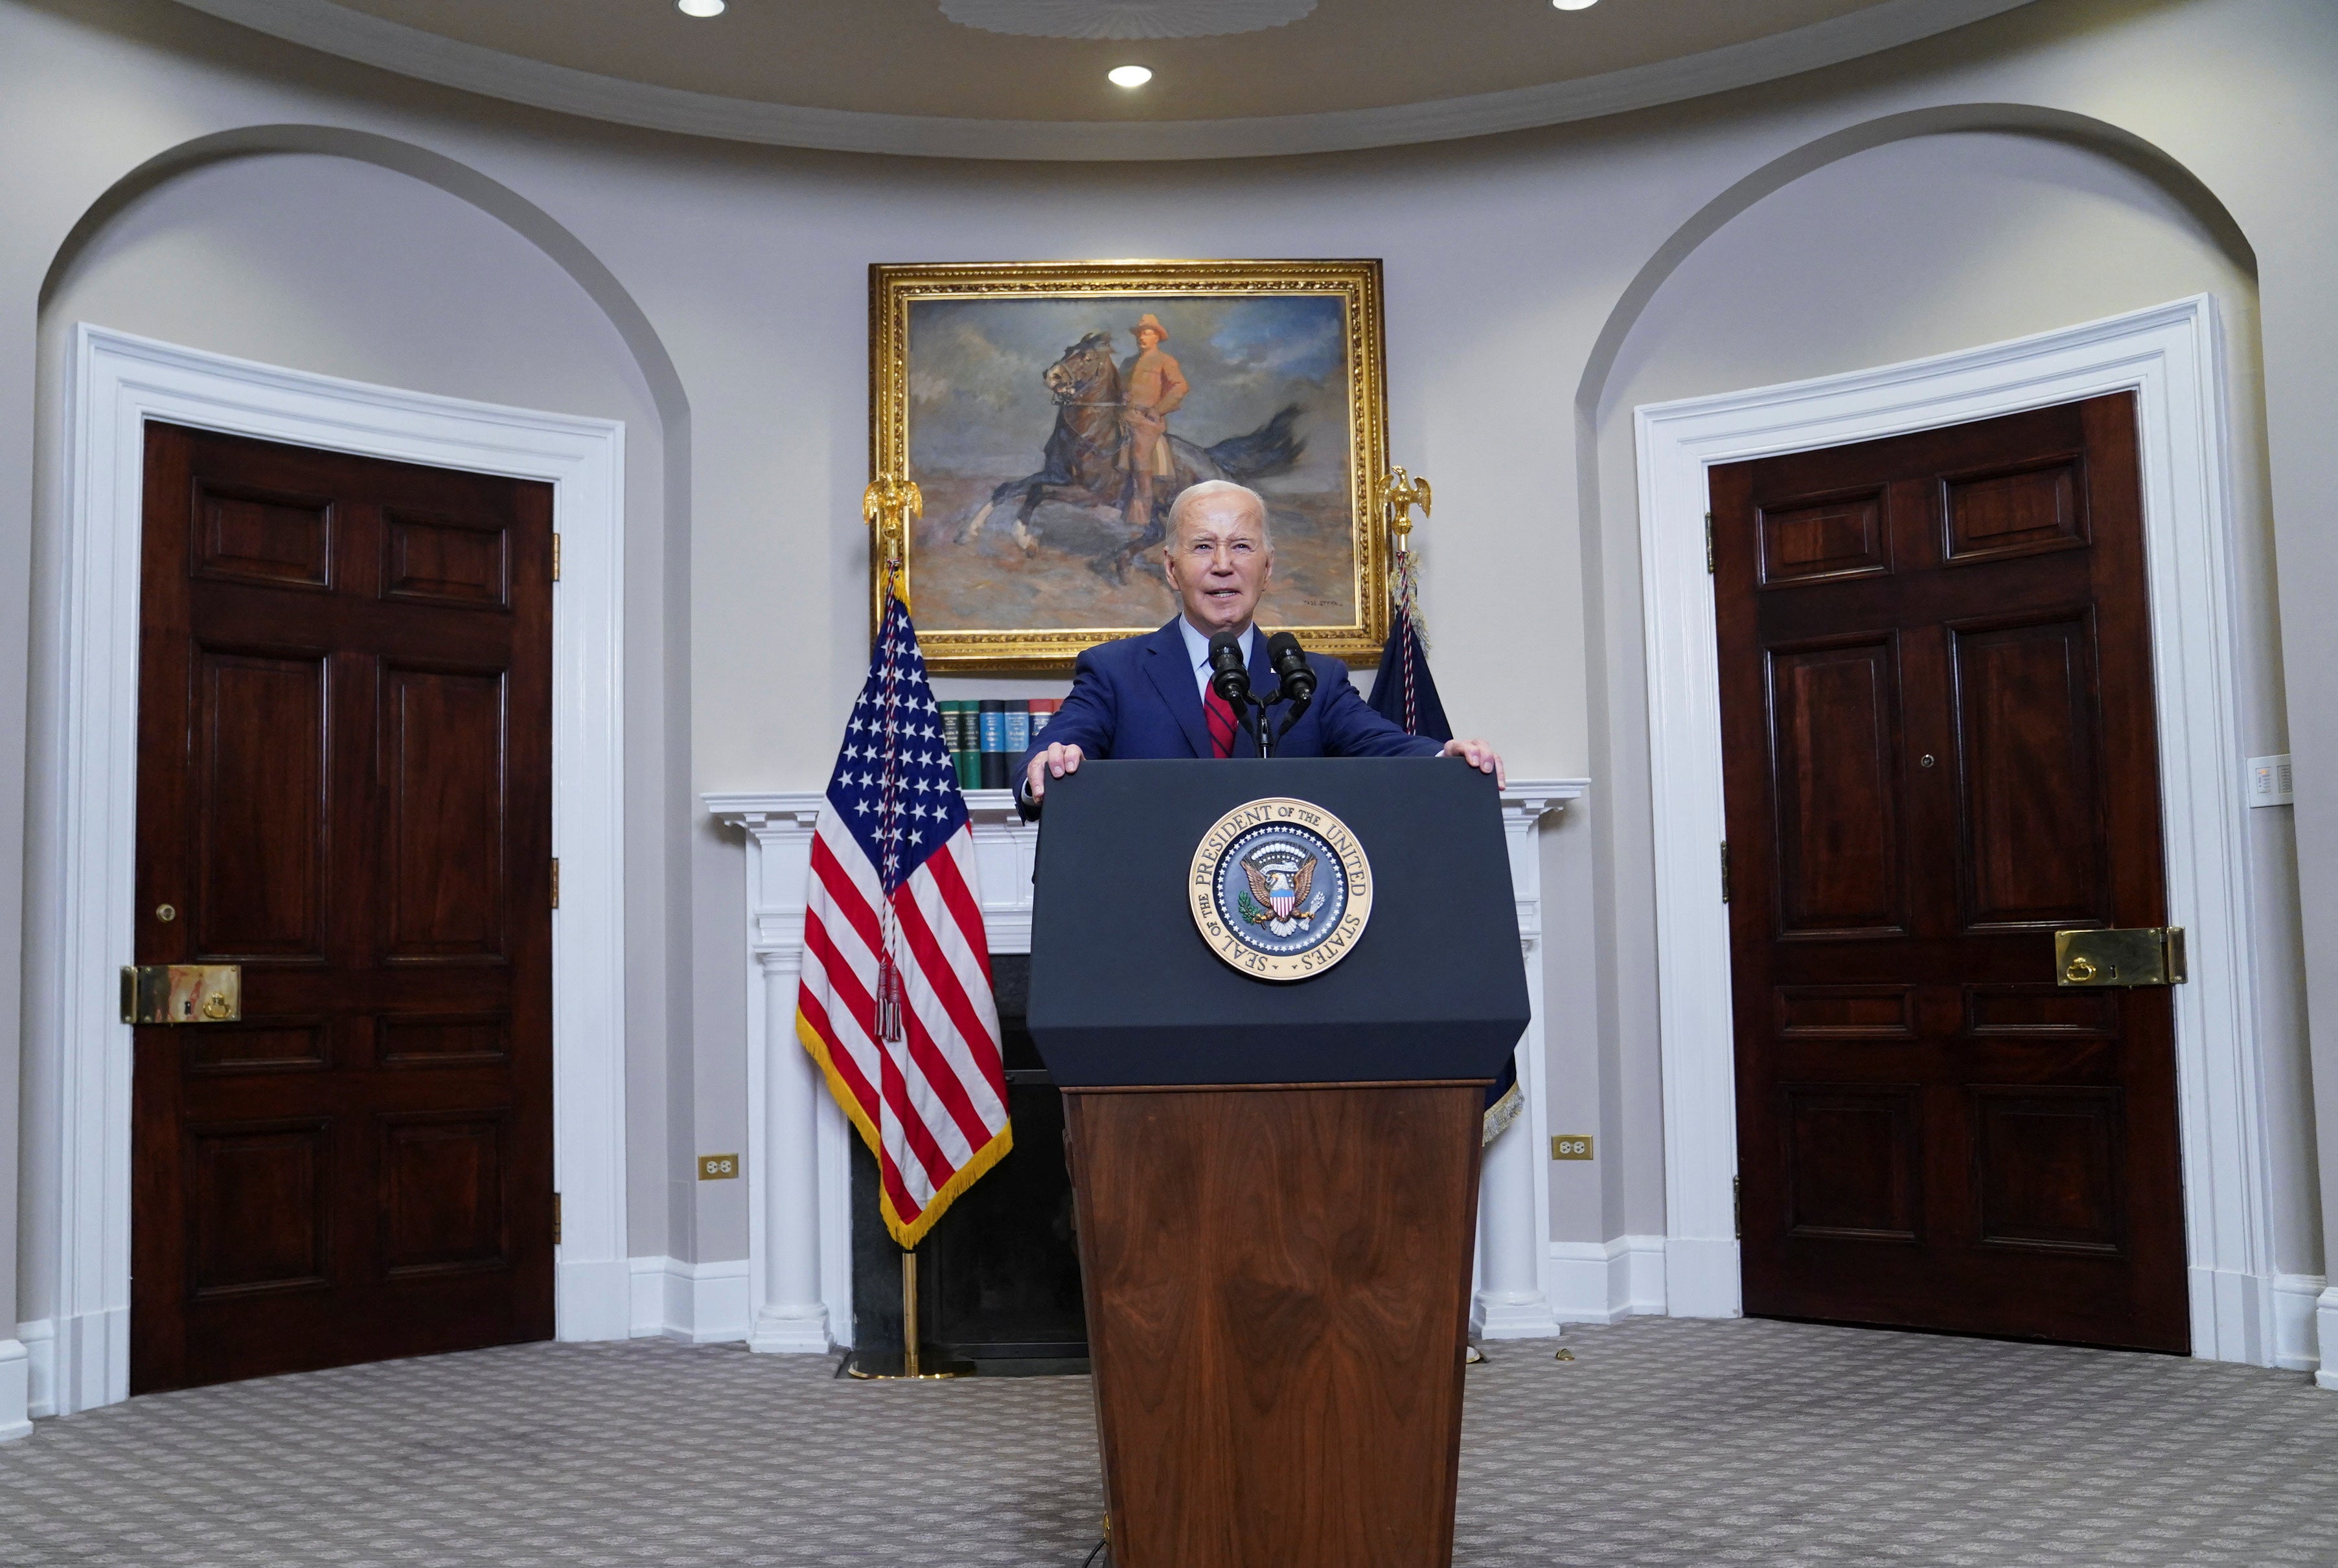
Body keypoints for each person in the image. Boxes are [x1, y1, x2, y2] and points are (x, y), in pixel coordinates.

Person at [1018, 480, 1504, 810]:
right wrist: (1044, 768)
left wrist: (1445, 760)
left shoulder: (1313, 678)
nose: (1223, 565)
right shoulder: (1113, 671)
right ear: (1171, 568)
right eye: (1203, 546)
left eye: (1242, 546)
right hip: (1150, 910)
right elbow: (1052, 748)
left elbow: (1384, 745)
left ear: (1267, 569)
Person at [1117, 313, 1188, 552]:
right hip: (1123, 414)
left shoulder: (1165, 361)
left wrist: (1159, 410)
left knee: (1139, 453)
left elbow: (1180, 387)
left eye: (1147, 332)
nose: (1141, 337)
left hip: (1147, 420)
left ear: (1157, 336)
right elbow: (1118, 388)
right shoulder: (1127, 363)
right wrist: (1121, 396)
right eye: (1139, 333)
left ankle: (1142, 511)